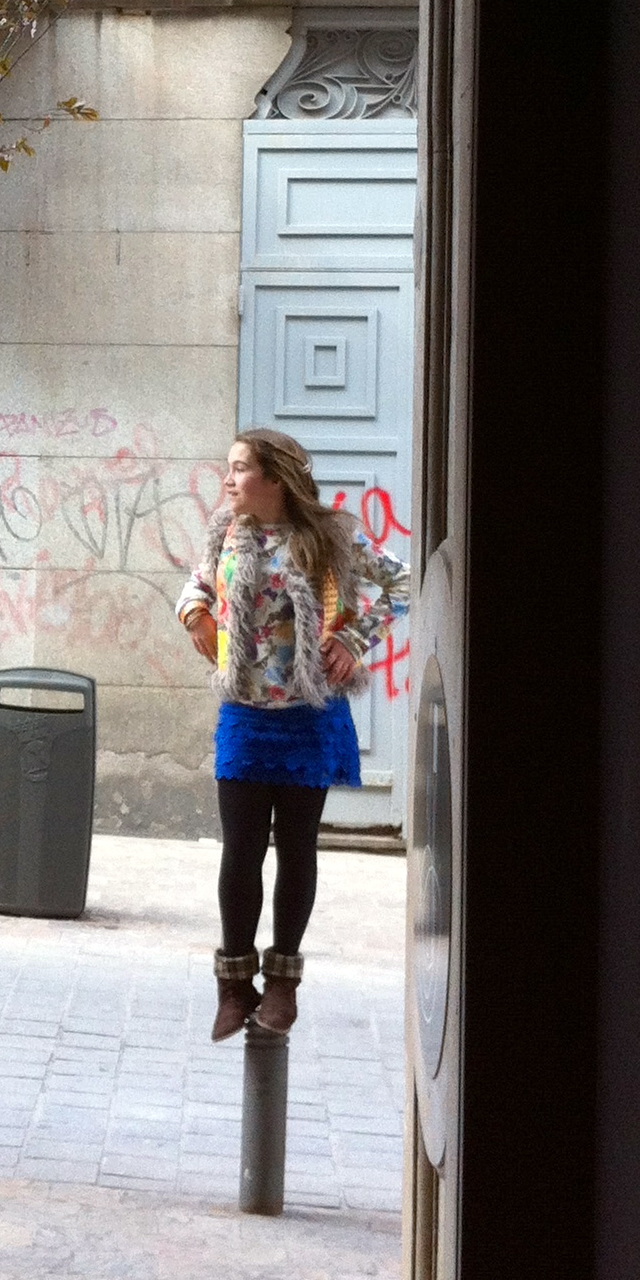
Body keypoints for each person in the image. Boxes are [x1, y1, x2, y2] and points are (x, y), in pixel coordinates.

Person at [177, 428, 407, 1040]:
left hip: (309, 714)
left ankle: (282, 984)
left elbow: (400, 583)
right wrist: (195, 613)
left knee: (297, 847)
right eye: (229, 468)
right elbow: (197, 584)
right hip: (246, 715)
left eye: (239, 469)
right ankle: (233, 986)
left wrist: (354, 641)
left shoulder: (330, 538)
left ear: (275, 479)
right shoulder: (227, 534)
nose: (228, 480)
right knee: (241, 848)